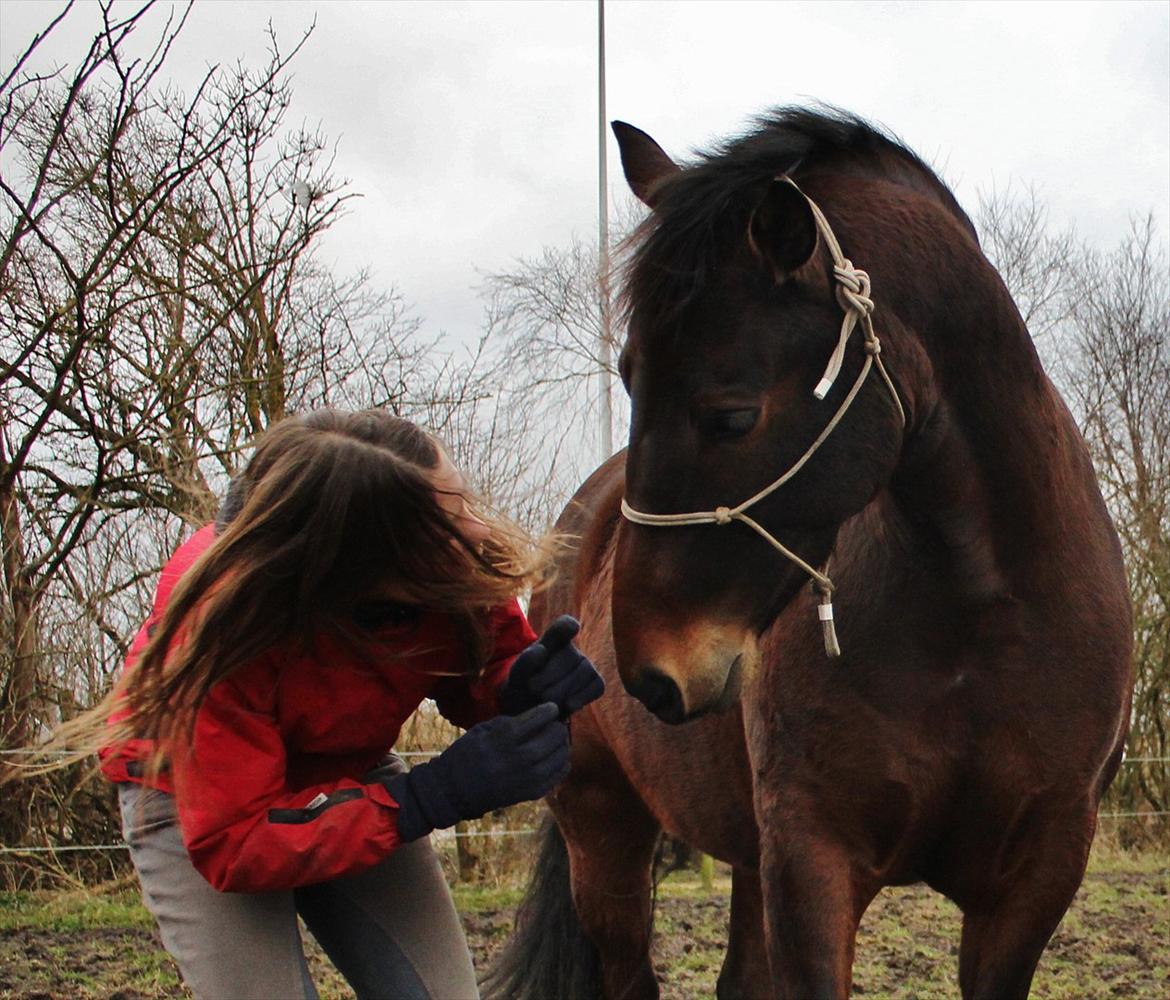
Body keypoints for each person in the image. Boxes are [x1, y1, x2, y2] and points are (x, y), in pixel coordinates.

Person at [91, 408, 604, 999]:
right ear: (359, 563)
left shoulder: (447, 567)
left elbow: (479, 664)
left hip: (346, 769)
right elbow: (237, 841)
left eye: (464, 502)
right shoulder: (222, 629)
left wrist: (515, 686)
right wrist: (430, 795)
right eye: (452, 519)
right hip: (197, 802)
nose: (479, 532)